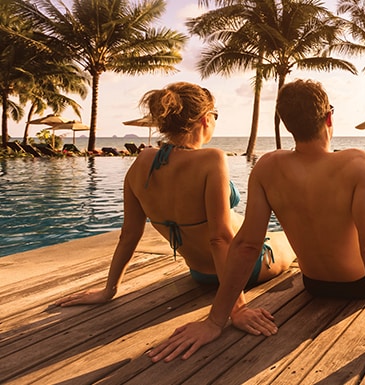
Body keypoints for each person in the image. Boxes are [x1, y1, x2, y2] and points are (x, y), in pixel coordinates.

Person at [149, 79, 365, 370]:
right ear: (328, 117)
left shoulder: (267, 167)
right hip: (359, 285)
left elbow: (247, 245)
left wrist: (215, 320)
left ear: (288, 125)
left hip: (314, 284)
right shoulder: (358, 163)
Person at [55, 82, 295, 338]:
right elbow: (220, 238)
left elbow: (129, 234)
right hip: (245, 269)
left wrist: (109, 290)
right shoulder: (212, 159)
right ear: (205, 119)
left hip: (200, 274)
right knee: (291, 238)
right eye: (215, 116)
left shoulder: (142, 162)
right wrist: (236, 310)